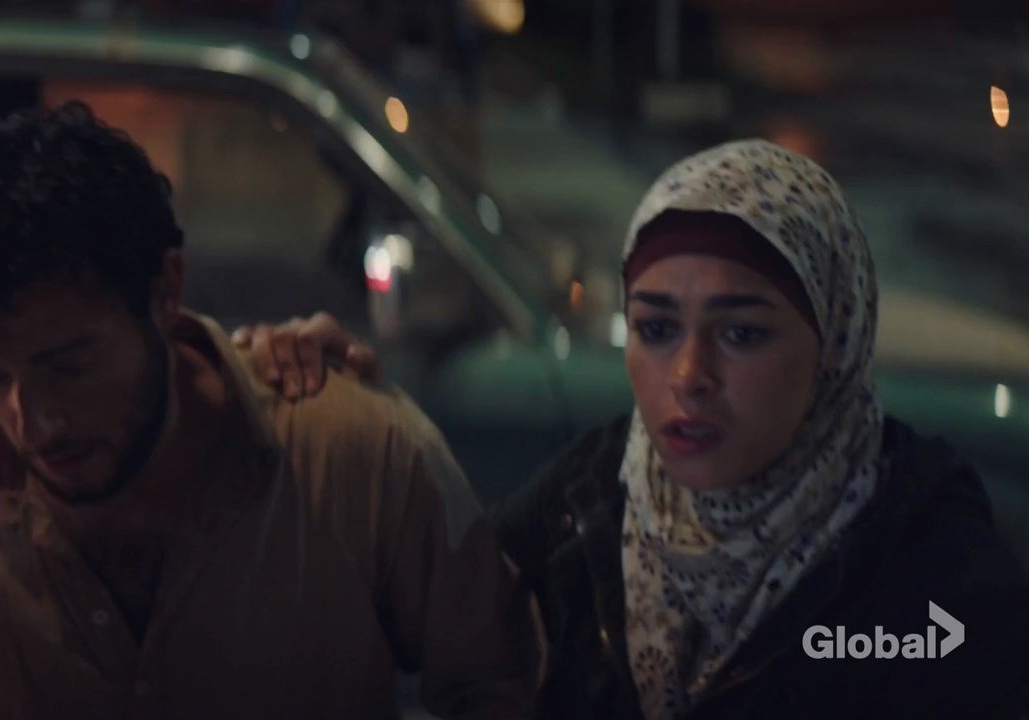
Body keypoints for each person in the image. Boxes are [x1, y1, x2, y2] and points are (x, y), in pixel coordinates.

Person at [232, 139, 1029, 718]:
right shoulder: (593, 498)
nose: (688, 376)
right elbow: (420, 629)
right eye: (654, 329)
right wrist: (309, 395)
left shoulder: (933, 578)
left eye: (741, 333)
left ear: (836, 344)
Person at [0, 102, 542, 719]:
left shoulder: (353, 452)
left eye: (68, 366)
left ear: (165, 291)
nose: (33, 424)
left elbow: (509, 687)